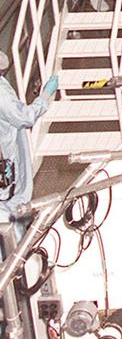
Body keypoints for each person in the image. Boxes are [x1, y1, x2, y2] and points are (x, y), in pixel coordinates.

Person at [0, 59, 58, 220]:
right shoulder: (1, 93)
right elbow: (25, 117)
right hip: (6, 159)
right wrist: (45, 96)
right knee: (10, 203)